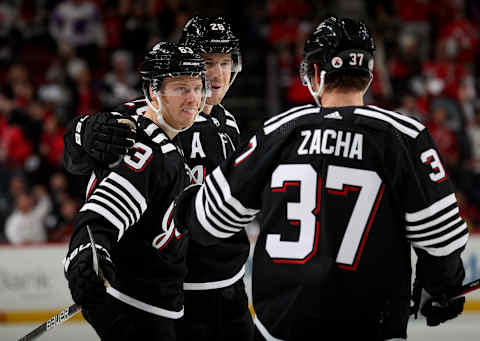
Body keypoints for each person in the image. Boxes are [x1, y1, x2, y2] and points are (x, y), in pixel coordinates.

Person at [173, 16, 469, 340]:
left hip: (281, 328)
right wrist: (442, 287)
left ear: (314, 73)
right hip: (373, 327)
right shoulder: (405, 136)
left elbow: (209, 220)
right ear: (368, 75)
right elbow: (442, 239)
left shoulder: (279, 132)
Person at [62, 16, 254, 341]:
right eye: (207, 63)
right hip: (175, 295)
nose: (219, 74)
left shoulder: (227, 122)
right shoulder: (144, 122)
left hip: (227, 285)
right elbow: (84, 161)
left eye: (226, 62)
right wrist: (81, 133)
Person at [63, 42, 209, 340]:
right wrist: (88, 254)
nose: (193, 98)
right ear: (154, 91)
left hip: (147, 303)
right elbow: (101, 216)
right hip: (137, 308)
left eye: (197, 87)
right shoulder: (150, 152)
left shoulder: (143, 124)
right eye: (181, 88)